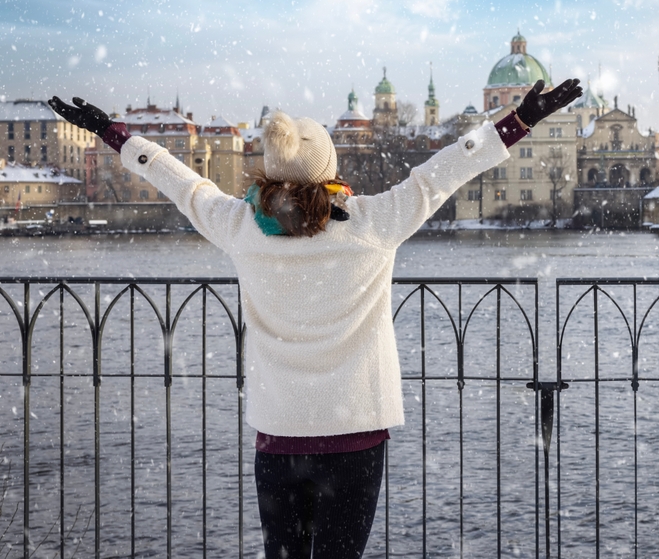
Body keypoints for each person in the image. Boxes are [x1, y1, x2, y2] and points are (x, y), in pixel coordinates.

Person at [48, 76, 581, 559]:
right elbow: (441, 172)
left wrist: (118, 136)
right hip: (354, 434)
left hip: (279, 435)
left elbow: (185, 185)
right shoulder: (373, 223)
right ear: (332, 172)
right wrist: (516, 123)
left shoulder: (243, 228)